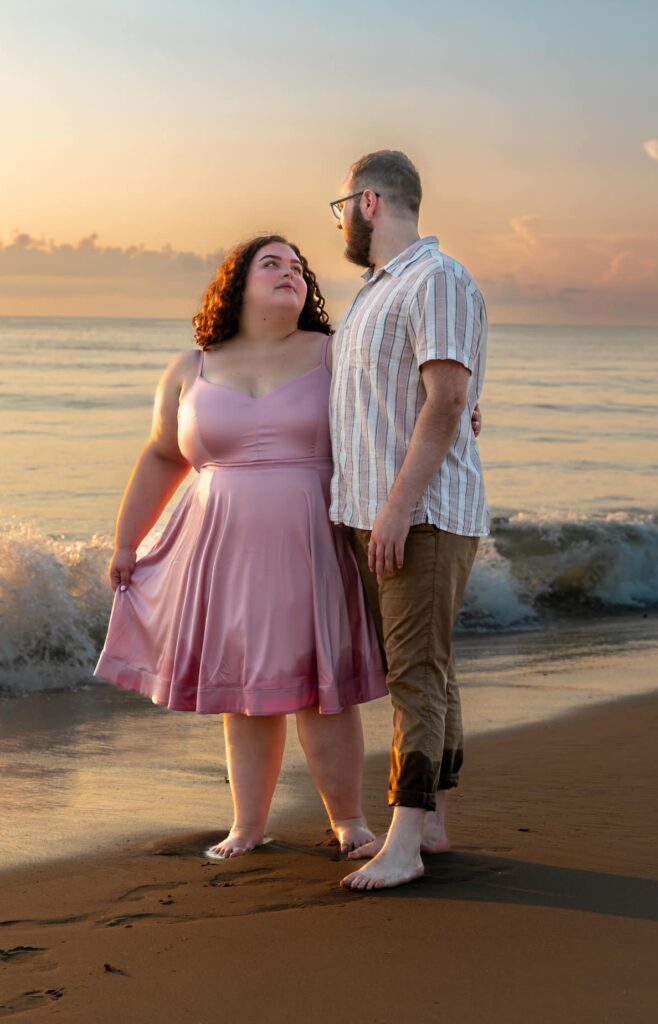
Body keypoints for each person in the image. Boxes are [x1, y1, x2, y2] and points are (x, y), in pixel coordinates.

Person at [94, 235, 390, 859]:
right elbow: (160, 456)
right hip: (223, 552)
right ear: (238, 285)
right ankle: (248, 827)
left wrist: (462, 410)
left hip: (314, 542)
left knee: (321, 686)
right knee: (248, 695)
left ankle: (350, 822)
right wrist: (127, 540)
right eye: (271, 264)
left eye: (298, 268)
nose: (290, 273)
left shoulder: (333, 353)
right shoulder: (190, 367)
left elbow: (394, 408)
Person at [328, 151, 490, 890]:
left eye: (339, 209)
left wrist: (396, 509)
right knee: (428, 668)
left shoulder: (437, 278)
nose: (339, 224)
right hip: (379, 512)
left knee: (416, 677)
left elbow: (448, 399)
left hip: (418, 515)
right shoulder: (372, 293)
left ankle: (403, 843)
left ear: (367, 202)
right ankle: (430, 821)